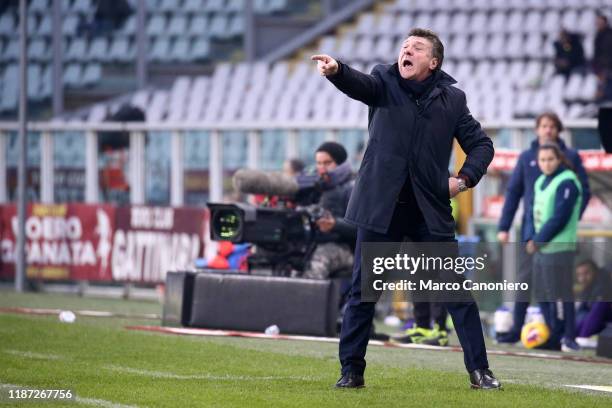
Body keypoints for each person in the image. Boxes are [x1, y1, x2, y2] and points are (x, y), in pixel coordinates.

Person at [312, 28, 500, 390]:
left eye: (416, 48)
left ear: (434, 61)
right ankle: (351, 371)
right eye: (404, 46)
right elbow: (360, 84)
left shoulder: (453, 99)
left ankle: (480, 371)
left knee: (456, 293)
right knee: (364, 293)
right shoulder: (384, 80)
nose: (406, 51)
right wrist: (337, 70)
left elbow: (482, 145)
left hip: (428, 209)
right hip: (382, 207)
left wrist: (463, 180)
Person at [496, 112, 590, 344]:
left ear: (558, 130)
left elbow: (583, 191)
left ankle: (561, 333)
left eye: (552, 126)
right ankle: (518, 328)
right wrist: (504, 225)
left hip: (557, 235)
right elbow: (514, 191)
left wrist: (570, 218)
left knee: (558, 287)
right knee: (525, 281)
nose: (547, 130)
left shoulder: (570, 157)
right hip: (531, 229)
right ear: (537, 129)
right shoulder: (527, 156)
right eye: (543, 126)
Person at [526, 143, 583, 351]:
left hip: (559, 248)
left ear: (559, 159)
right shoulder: (541, 180)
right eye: (542, 160)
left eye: (550, 159)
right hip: (542, 248)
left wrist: (538, 240)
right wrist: (531, 237)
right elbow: (533, 213)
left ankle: (567, 336)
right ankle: (552, 333)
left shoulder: (568, 182)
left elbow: (559, 217)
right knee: (542, 293)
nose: (546, 164)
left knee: (560, 294)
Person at [301, 142, 356, 280]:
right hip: (315, 242)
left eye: (327, 163)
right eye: (319, 163)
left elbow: (363, 227)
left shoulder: (354, 188)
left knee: (318, 262)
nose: (322, 168)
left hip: (348, 249)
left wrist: (335, 225)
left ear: (340, 164)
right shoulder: (314, 186)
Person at [574, 260, 612, 347]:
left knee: (600, 304)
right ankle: (567, 337)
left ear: (595, 272)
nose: (582, 278)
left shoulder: (603, 281)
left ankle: (582, 338)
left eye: (586, 273)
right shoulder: (587, 289)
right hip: (599, 316)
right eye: (579, 275)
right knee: (582, 312)